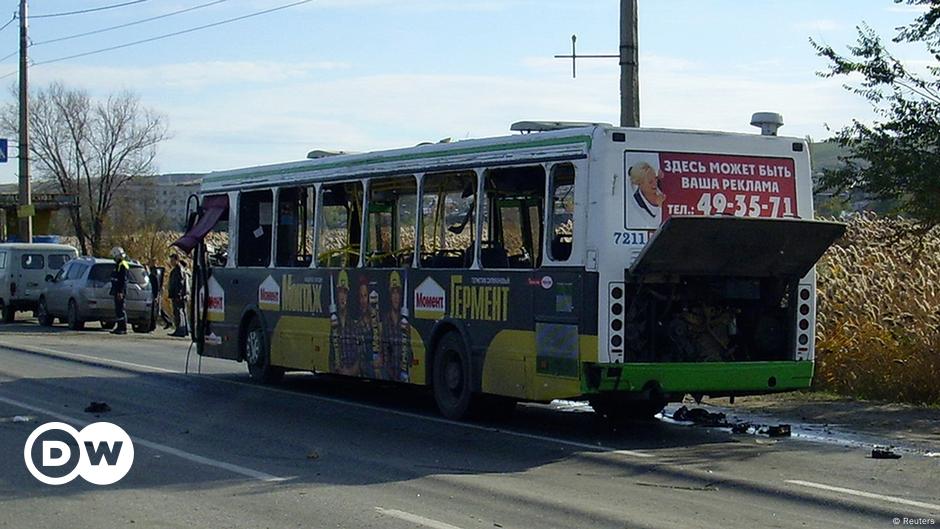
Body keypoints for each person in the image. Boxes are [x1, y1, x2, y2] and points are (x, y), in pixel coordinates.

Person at [381, 271, 413, 382]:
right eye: (393, 293)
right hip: (388, 373)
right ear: (390, 296)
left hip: (402, 373)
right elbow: (383, 348)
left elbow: (411, 358)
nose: (395, 297)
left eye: (398, 293)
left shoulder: (405, 322)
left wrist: (407, 336)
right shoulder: (385, 320)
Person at [627, 161, 666, 229]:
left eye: (655, 178)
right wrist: (660, 206)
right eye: (650, 182)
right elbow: (655, 224)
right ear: (639, 184)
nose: (655, 184)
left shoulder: (660, 185)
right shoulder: (637, 202)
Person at [108, 247, 130, 335]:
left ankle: (122, 328)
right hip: (117, 290)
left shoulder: (123, 264)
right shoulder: (119, 264)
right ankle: (119, 327)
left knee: (121, 309)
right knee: (118, 309)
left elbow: (123, 279)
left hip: (120, 291)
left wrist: (120, 291)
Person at [167, 254, 189, 337]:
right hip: (180, 294)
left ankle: (180, 330)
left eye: (172, 260)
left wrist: (178, 294)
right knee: (182, 311)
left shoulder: (178, 269)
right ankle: (184, 329)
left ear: (176, 260)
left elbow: (180, 283)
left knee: (178, 312)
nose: (171, 262)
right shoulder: (180, 269)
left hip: (178, 295)